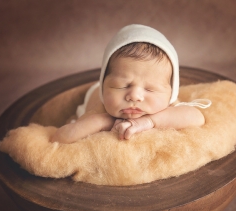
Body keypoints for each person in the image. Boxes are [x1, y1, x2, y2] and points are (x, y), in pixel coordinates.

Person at [51, 24, 211, 144]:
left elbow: (197, 118)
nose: (134, 95)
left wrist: (149, 121)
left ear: (171, 92)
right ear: (104, 85)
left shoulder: (168, 105)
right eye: (121, 86)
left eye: (150, 89)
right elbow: (59, 138)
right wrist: (103, 121)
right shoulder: (98, 110)